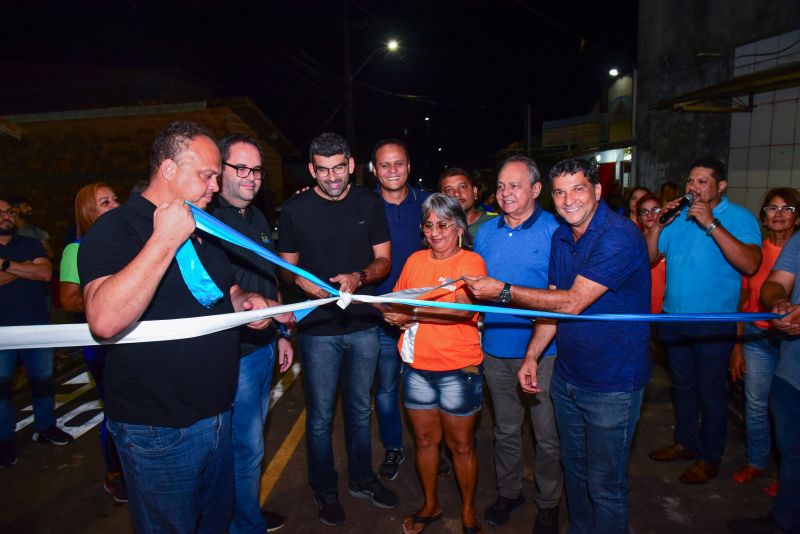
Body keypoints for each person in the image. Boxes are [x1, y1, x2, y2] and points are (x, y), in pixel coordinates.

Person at [78, 120, 288, 533]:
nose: (215, 185)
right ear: (169, 169)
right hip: (160, 429)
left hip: (216, 414)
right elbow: (103, 319)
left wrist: (246, 302)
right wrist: (164, 240)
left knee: (214, 523)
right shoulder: (117, 228)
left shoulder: (203, 228)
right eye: (207, 175)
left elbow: (218, 291)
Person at [464, 158, 651, 534]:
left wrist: (502, 291)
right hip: (569, 375)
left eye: (578, 189)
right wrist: (532, 355)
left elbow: (572, 302)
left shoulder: (618, 235)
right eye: (561, 192)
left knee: (605, 484)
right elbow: (553, 302)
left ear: (598, 191)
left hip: (613, 382)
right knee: (577, 471)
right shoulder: (565, 237)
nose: (568, 200)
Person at [277, 132, 396, 527]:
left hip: (363, 325)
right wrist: (300, 282)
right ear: (312, 169)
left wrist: (359, 277)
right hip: (318, 331)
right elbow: (285, 265)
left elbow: (383, 261)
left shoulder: (368, 201)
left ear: (351, 165)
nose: (332, 177)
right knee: (321, 416)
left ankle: (363, 479)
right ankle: (324, 490)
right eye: (323, 170)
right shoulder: (294, 210)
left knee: (361, 411)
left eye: (339, 168)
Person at [647, 158, 762, 484]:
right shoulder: (679, 217)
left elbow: (751, 264)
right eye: (690, 181)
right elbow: (649, 258)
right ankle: (685, 442)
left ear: (721, 186)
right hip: (673, 318)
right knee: (682, 387)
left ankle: (710, 457)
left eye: (701, 182)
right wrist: (658, 224)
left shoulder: (739, 218)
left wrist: (712, 224)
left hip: (714, 323)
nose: (692, 188)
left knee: (711, 392)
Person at [380, 193, 487, 534]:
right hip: (416, 369)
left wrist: (410, 313)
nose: (436, 232)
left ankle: (468, 511)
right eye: (429, 225)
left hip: (459, 369)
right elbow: (394, 301)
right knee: (426, 443)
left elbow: (463, 309)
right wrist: (391, 313)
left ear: (458, 227)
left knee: (462, 446)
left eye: (443, 224)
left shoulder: (472, 264)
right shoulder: (413, 261)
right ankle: (431, 504)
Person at [210, 133, 295, 533]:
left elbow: (267, 275)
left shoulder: (258, 218)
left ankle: (245, 515)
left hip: (262, 348)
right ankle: (242, 523)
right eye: (240, 168)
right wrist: (241, 302)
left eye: (256, 170)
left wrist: (281, 331)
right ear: (220, 169)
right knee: (239, 448)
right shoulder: (206, 217)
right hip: (229, 353)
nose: (251, 177)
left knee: (251, 444)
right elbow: (211, 287)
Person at [473, 156, 562, 532]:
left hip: (544, 353)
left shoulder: (556, 232)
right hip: (495, 349)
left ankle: (550, 502)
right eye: (502, 186)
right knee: (505, 429)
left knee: (547, 434)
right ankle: (510, 493)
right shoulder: (486, 233)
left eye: (516, 185)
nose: (506, 193)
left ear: (536, 190)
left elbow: (559, 298)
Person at [728, 232, 800, 533]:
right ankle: (785, 519)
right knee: (792, 453)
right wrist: (780, 303)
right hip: (791, 370)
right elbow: (773, 284)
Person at [58, 182, 124, 500]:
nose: (115, 204)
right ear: (88, 212)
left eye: (115, 199)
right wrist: (113, 300)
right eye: (104, 202)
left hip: (129, 339)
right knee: (115, 411)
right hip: (100, 344)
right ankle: (114, 473)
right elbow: (69, 300)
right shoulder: (77, 248)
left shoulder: (125, 243)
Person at [371, 137, 430, 480]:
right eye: (384, 164)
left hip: (425, 315)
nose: (392, 170)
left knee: (426, 385)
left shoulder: (426, 203)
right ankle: (394, 446)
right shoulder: (362, 205)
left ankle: (431, 446)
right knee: (386, 389)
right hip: (380, 316)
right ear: (374, 170)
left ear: (409, 166)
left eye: (399, 164)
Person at [0, 198, 73, 469]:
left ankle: (46, 428)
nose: (6, 216)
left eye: (8, 211)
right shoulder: (29, 250)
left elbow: (44, 273)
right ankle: (4, 441)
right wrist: (24, 267)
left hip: (36, 327)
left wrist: (5, 265)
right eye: (0, 213)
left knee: (43, 382)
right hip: (1, 332)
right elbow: (34, 270)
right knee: (2, 390)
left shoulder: (29, 243)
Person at [439, 168, 497, 238]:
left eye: (462, 187)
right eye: (449, 190)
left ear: (474, 192)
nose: (457, 193)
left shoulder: (496, 222)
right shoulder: (437, 231)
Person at [635, 193, 666, 313]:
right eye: (644, 211)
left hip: (667, 311)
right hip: (641, 309)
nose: (650, 215)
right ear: (639, 218)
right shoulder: (633, 242)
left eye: (655, 210)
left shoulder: (670, 241)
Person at [8, 194, 53, 259]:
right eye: (26, 206)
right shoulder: (6, 232)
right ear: (15, 209)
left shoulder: (37, 232)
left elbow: (50, 254)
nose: (30, 208)